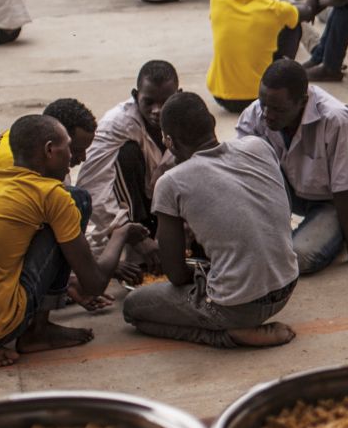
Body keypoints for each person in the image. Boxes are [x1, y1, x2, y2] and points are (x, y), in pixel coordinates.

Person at [0, 114, 148, 367]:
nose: (77, 158)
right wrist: (120, 234)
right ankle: (36, 332)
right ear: (50, 150)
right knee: (78, 200)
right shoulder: (52, 196)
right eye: (69, 147)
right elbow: (95, 284)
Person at [122, 91, 300, 349]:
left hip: (238, 307)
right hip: (287, 284)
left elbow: (176, 274)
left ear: (168, 141)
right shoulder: (258, 146)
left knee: (133, 309)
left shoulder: (171, 182)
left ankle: (230, 335)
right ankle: (237, 323)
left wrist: (199, 275)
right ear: (212, 124)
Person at [237, 60, 348, 275]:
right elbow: (243, 174)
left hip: (338, 202)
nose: (268, 114)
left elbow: (344, 188)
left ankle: (334, 234)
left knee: (298, 258)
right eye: (263, 103)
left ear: (302, 102)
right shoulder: (257, 113)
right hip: (295, 191)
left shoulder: (336, 120)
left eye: (279, 109)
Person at [75, 62, 179, 266]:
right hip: (132, 207)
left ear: (178, 95)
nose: (157, 111)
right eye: (148, 102)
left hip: (166, 205)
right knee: (126, 153)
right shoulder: (117, 123)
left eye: (165, 102)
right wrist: (129, 233)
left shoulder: (187, 114)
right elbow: (92, 185)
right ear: (135, 95)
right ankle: (136, 235)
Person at [208, 0, 316, 111]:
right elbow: (306, 12)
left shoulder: (217, 0)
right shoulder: (274, 9)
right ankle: (283, 80)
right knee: (293, 25)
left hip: (221, 95)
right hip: (262, 96)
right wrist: (315, 0)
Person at [0, 98, 98, 209]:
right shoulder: (23, 164)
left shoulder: (24, 140)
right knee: (73, 204)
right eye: (77, 150)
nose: (83, 158)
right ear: (51, 144)